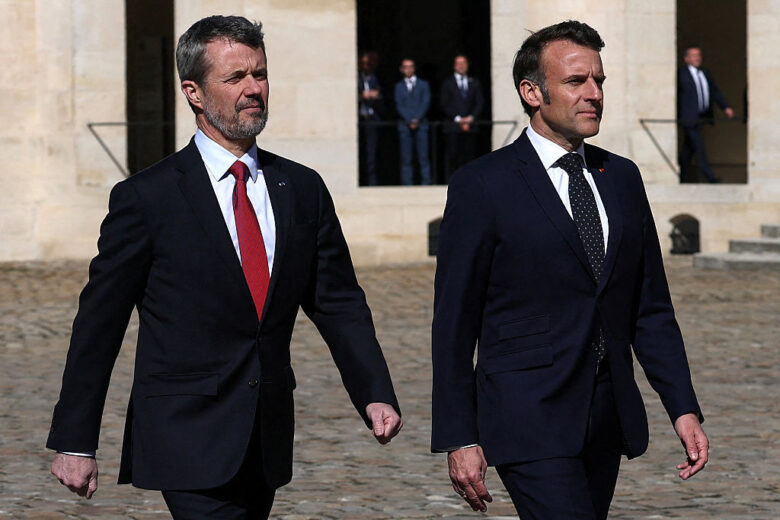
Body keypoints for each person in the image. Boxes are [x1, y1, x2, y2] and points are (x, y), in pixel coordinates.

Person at [47, 15, 402, 518]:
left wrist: (374, 392)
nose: (253, 89)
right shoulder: (147, 198)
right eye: (235, 78)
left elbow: (338, 301)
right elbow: (99, 323)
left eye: (260, 74)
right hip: (185, 430)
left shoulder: (301, 188)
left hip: (266, 433)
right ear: (193, 92)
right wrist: (75, 439)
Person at [432, 21, 708, 520]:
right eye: (576, 81)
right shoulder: (483, 184)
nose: (594, 94)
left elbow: (649, 307)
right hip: (526, 414)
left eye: (598, 80)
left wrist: (682, 407)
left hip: (606, 414)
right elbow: (454, 322)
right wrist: (459, 436)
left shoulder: (621, 177)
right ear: (532, 92)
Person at [677, 45, 734, 183]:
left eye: (699, 55)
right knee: (699, 146)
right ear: (686, 58)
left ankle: (683, 176)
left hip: (702, 117)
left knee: (688, 150)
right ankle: (710, 177)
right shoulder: (681, 74)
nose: (697, 58)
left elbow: (714, 91)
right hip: (689, 118)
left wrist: (725, 107)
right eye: (694, 55)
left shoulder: (705, 73)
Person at [439, 54, 485, 182]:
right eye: (458, 63)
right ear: (454, 66)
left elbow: (479, 102)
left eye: (463, 63)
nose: (461, 66)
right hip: (453, 126)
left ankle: (469, 182)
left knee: (469, 156)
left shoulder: (474, 82)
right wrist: (458, 119)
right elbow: (444, 103)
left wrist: (471, 118)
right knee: (453, 156)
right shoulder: (447, 83)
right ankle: (452, 182)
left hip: (471, 126)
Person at [394, 58, 432, 185]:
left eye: (410, 66)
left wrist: (417, 119)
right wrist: (409, 120)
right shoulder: (398, 87)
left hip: (421, 125)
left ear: (414, 68)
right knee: (406, 158)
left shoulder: (423, 85)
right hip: (405, 126)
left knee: (423, 157)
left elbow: (425, 102)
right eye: (406, 67)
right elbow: (399, 105)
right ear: (401, 69)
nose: (408, 69)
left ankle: (426, 183)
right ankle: (407, 184)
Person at [358, 51, 383, 186]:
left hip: (373, 119)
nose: (366, 66)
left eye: (369, 63)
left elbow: (384, 96)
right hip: (360, 119)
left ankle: (373, 182)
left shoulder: (376, 78)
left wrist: (376, 95)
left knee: (373, 152)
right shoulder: (357, 78)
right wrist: (362, 95)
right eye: (364, 63)